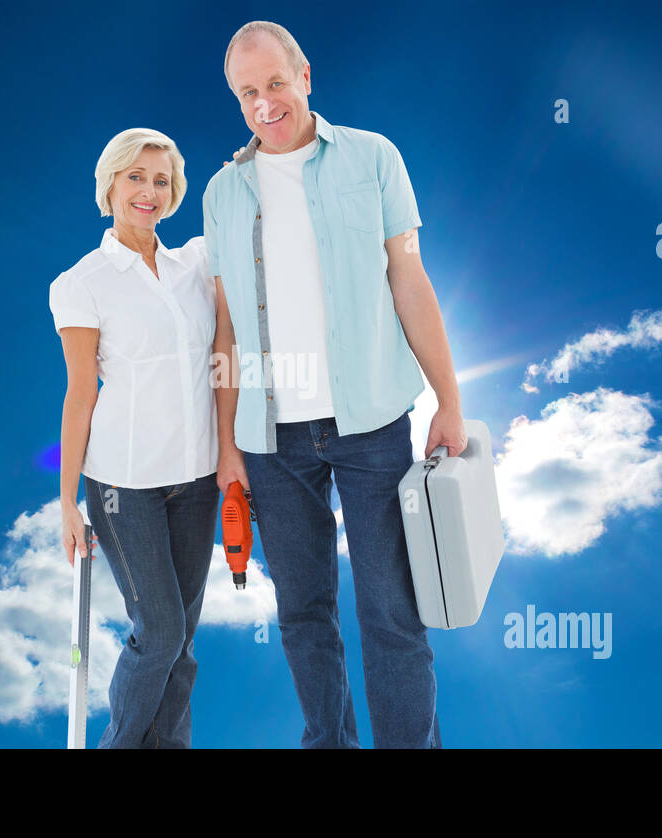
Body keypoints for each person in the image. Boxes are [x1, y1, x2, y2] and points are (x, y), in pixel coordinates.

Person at [203, 21, 467, 748]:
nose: (264, 105)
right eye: (247, 93)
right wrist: (228, 448)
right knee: (302, 614)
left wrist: (449, 398)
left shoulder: (373, 158)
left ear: (306, 75)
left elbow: (409, 281)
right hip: (270, 440)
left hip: (372, 424)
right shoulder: (224, 192)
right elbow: (223, 330)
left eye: (275, 84)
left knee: (392, 612)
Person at [50, 127, 220, 748]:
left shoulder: (194, 265)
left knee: (183, 642)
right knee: (161, 632)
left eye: (162, 180)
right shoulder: (83, 282)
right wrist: (66, 501)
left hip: (198, 479)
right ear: (110, 185)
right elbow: (79, 394)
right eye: (136, 177)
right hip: (125, 486)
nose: (149, 191)